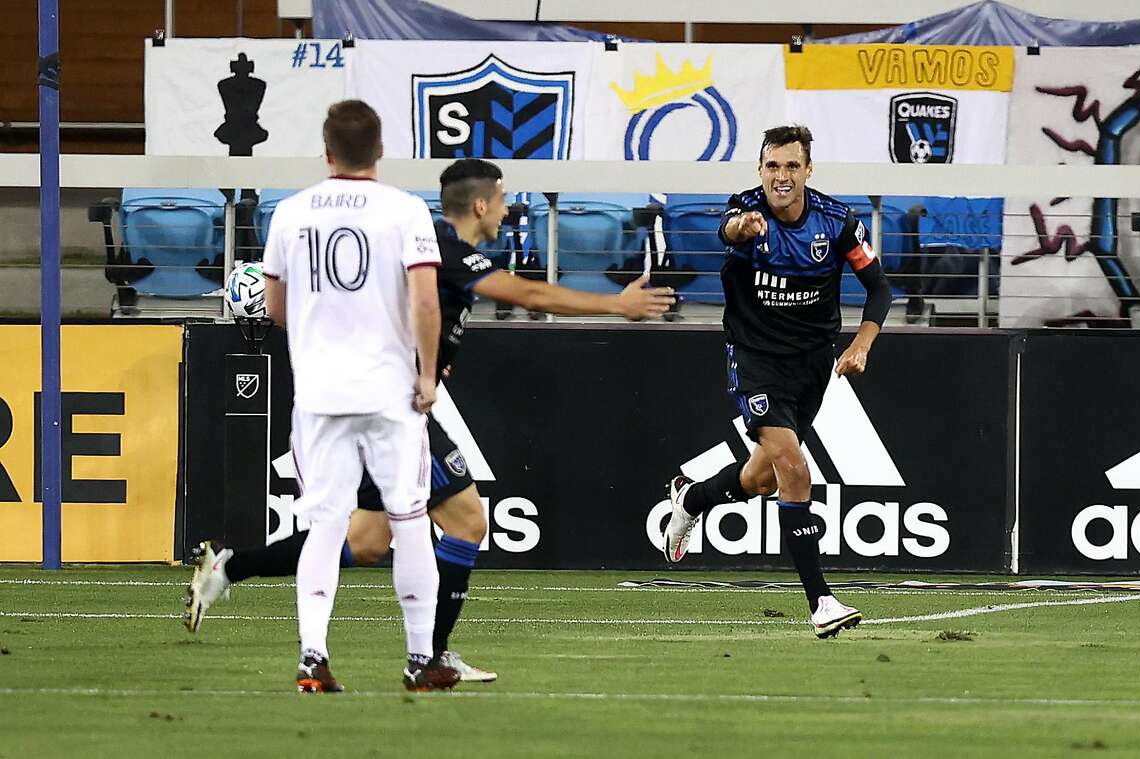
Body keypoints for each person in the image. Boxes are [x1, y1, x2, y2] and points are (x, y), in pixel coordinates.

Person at [185, 158, 676, 680]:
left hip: (384, 400)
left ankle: (229, 567)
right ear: (481, 204)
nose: (509, 210)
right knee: (466, 521)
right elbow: (530, 295)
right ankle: (431, 656)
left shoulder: (436, 249)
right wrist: (616, 306)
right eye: (504, 199)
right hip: (390, 406)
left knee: (369, 541)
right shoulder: (444, 252)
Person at [257, 99, 458, 693]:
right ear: (380, 150)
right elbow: (426, 301)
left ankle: (312, 657)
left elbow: (274, 306)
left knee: (324, 522)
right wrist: (425, 375)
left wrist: (325, 339)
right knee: (409, 517)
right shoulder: (404, 210)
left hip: (319, 391)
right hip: (388, 390)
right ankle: (422, 658)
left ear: (326, 151)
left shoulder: (289, 213)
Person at [661, 125, 892, 639]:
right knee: (795, 468)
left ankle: (692, 499)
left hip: (812, 365)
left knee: (764, 478)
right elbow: (729, 230)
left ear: (808, 170)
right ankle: (822, 601)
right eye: (772, 167)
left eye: (791, 166)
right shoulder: (745, 211)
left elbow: (878, 288)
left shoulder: (838, 222)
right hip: (755, 358)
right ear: (760, 171)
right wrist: (742, 228)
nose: (781, 177)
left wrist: (862, 344)